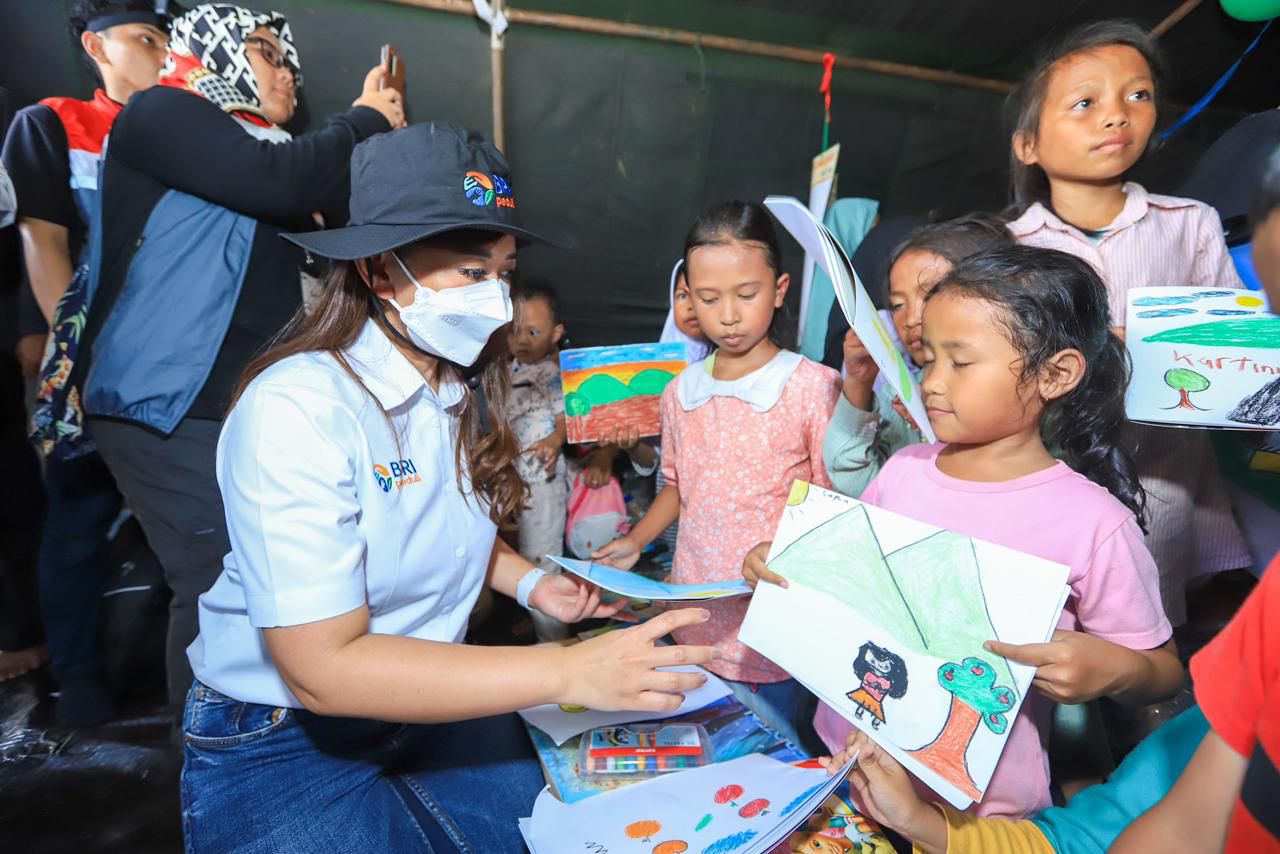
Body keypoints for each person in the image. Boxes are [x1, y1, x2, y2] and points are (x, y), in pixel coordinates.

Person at [181, 122, 715, 852]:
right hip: (286, 734)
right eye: (470, 272)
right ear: (377, 272)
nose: (496, 298)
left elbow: (439, 525)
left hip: (435, 702)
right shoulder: (297, 410)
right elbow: (323, 670)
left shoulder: (456, 389)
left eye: (504, 271)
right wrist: (569, 666)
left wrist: (531, 585)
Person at [76, 2, 403, 715]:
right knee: (219, 581)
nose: (288, 73)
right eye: (268, 54)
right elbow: (278, 181)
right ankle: (207, 774)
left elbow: (325, 214)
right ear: (215, 49)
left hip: (247, 407)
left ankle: (272, 744)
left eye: (289, 61)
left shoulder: (271, 159)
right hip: (164, 399)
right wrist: (364, 119)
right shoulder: (162, 114)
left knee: (274, 579)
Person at [798, 246, 1182, 818]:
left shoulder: (1093, 524)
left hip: (974, 812)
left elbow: (1163, 672)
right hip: (845, 761)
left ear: (1055, 374)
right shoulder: (904, 472)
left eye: (960, 361)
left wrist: (1115, 668)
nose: (930, 382)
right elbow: (853, 580)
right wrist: (789, 561)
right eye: (929, 358)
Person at [1004, 20, 1250, 626]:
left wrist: (1142, 349)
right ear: (1028, 145)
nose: (1116, 116)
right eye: (1085, 102)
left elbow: (1239, 361)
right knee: (1050, 625)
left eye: (1136, 95)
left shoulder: (1190, 222)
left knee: (1148, 628)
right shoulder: (1007, 247)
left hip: (1165, 478)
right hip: (1046, 479)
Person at [593, 201, 841, 755]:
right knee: (706, 748)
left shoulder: (813, 387)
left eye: (745, 295)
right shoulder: (679, 393)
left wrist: (785, 548)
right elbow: (678, 488)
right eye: (709, 299)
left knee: (773, 749)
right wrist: (635, 541)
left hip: (771, 619)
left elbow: (833, 504)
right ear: (688, 299)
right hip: (693, 609)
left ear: (779, 289)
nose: (728, 315)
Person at [1, 0, 171, 725]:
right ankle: (79, 685)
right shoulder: (51, 124)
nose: (160, 55)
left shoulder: (183, 135)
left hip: (174, 365)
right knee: (76, 522)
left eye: (167, 42)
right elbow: (44, 243)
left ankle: (175, 676)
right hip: (93, 365)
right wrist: (76, 355)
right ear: (96, 45)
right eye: (145, 39)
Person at [507, 278, 571, 641]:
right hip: (514, 479)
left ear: (556, 332)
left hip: (542, 482)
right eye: (515, 331)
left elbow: (564, 421)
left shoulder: (553, 375)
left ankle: (555, 640)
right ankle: (536, 620)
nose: (523, 340)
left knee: (543, 559)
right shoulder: (508, 370)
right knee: (521, 558)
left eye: (533, 331)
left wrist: (553, 439)